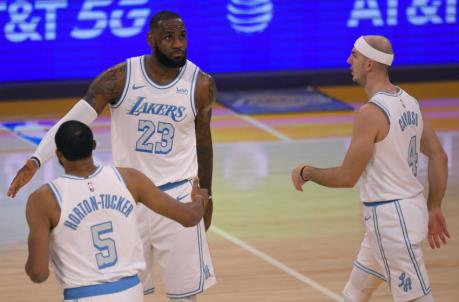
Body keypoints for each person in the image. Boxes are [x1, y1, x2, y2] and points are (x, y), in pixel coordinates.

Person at [9, 10, 216, 301]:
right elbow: (73, 120)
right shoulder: (120, 78)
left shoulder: (201, 84)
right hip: (129, 198)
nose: (178, 43)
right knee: (132, 291)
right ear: (151, 39)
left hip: (178, 194)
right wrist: (35, 160)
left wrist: (207, 195)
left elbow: (204, 145)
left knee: (185, 296)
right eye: (168, 37)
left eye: (182, 36)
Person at [291, 35, 450, 302]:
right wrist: (435, 206)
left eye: (354, 55)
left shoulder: (371, 113)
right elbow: (439, 156)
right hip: (401, 214)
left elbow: (346, 177)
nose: (348, 60)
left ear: (369, 65)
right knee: (353, 294)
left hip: (391, 222)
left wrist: (307, 172)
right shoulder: (410, 101)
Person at [25, 120, 208, 302]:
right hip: (131, 293)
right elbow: (190, 217)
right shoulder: (129, 179)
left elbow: (38, 273)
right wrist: (200, 199)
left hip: (82, 295)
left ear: (58, 153)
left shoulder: (44, 199)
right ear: (94, 145)